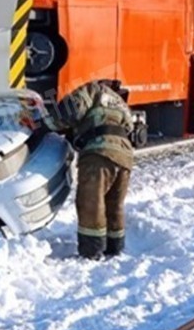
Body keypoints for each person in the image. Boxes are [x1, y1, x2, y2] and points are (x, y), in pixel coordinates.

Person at [47, 79, 134, 260]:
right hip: (125, 156)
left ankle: (91, 252)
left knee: (90, 203)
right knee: (114, 204)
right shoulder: (120, 102)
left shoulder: (94, 90)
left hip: (99, 151)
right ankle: (114, 248)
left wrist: (46, 122)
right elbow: (130, 127)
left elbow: (71, 110)